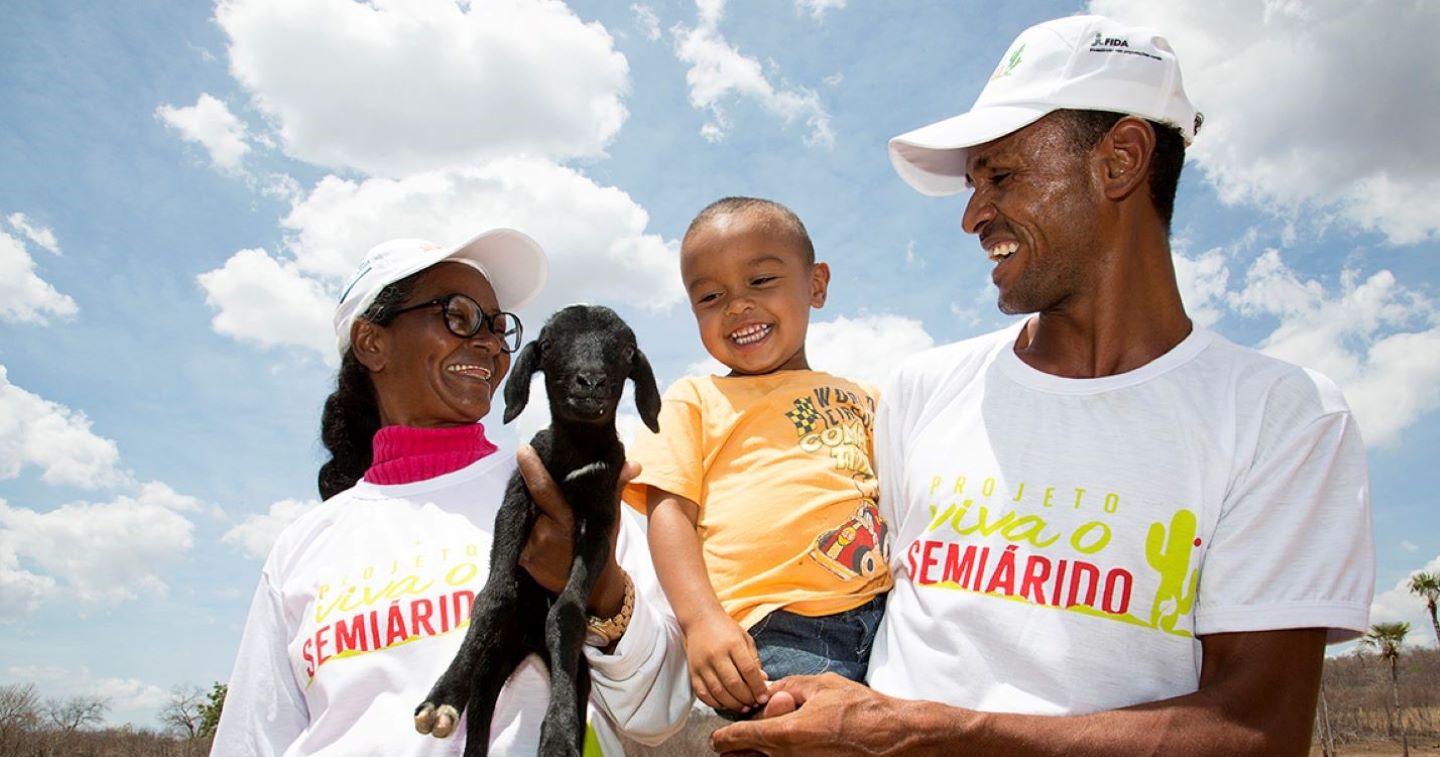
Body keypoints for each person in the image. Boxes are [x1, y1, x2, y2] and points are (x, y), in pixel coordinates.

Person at [713, 15, 1374, 755]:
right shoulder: (921, 391)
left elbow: (1258, 728)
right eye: (972, 183)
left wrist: (933, 733)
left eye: (1001, 175)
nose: (972, 214)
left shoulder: (1283, 418)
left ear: (1120, 159)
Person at [212, 230, 690, 756]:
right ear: (373, 342)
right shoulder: (303, 546)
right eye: (458, 316)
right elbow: (251, 741)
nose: (488, 343)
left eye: (497, 326)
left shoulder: (556, 489)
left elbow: (660, 711)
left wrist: (599, 589)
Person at [624, 197, 891, 719]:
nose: (737, 306)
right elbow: (669, 513)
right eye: (711, 295)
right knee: (802, 732)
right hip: (776, 629)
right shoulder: (694, 400)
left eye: (761, 281)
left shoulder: (867, 398)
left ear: (816, 284)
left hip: (889, 615)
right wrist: (701, 621)